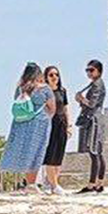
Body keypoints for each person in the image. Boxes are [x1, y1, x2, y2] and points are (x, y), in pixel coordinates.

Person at [0, 63, 55, 189]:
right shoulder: (45, 88)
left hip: (21, 124)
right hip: (39, 124)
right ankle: (32, 183)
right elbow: (52, 109)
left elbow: (17, 101)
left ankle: (29, 182)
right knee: (36, 152)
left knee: (25, 151)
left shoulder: (20, 88)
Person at [74, 59, 108, 194]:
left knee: (94, 152)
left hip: (94, 120)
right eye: (87, 70)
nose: (89, 72)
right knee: (96, 153)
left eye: (91, 70)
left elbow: (92, 104)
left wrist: (81, 99)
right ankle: (98, 183)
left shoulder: (97, 85)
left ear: (99, 71)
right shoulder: (94, 84)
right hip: (94, 119)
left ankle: (93, 184)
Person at [39, 65, 70, 194]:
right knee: (51, 155)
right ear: (46, 77)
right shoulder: (44, 92)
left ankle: (53, 185)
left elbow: (66, 108)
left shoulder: (62, 91)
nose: (54, 77)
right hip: (49, 125)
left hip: (61, 124)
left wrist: (69, 125)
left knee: (59, 156)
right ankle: (55, 185)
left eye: (56, 74)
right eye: (51, 75)